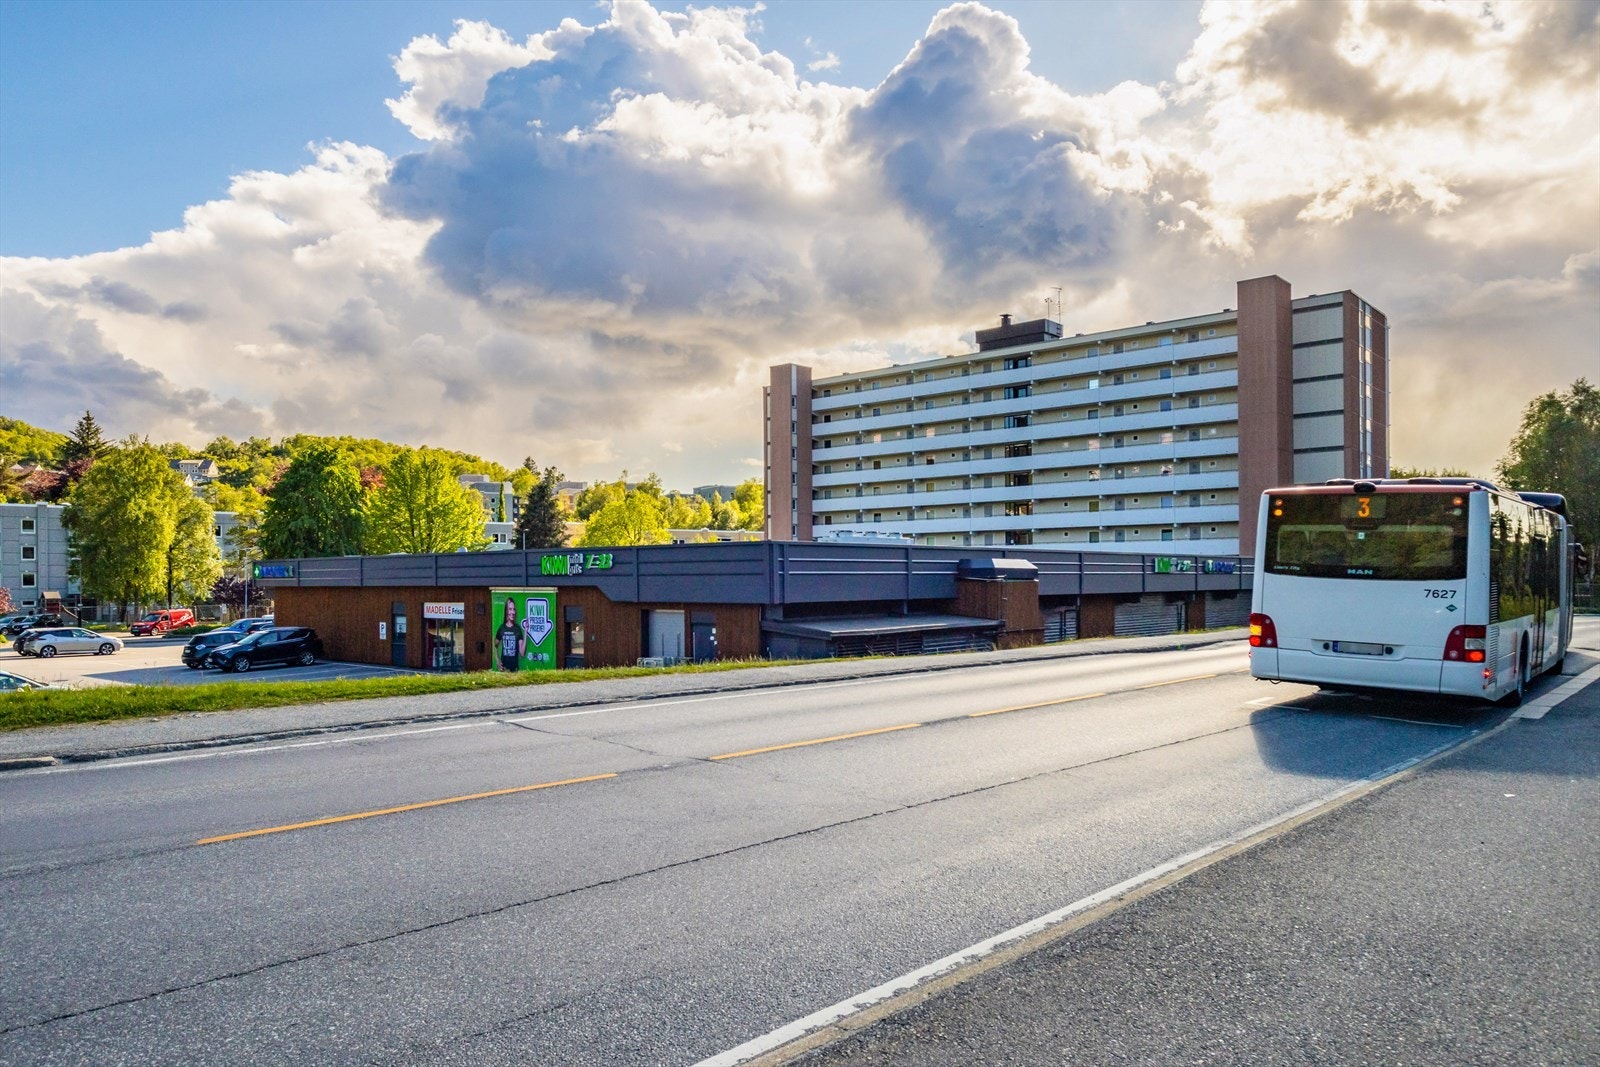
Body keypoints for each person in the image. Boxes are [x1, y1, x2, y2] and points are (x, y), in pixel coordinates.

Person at [495, 596, 524, 671]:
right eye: (510, 609)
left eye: (514, 609)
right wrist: (497, 660)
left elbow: (522, 653)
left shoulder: (517, 629)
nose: (513, 612)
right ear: (506, 611)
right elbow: (495, 645)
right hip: (504, 671)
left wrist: (526, 631)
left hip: (515, 671)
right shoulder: (502, 628)